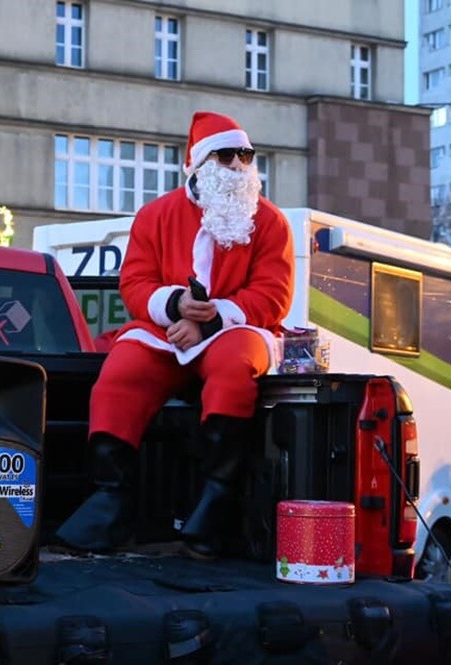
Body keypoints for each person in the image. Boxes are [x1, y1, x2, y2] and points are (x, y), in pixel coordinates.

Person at [55, 111, 295, 558]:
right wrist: (175, 307)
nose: (240, 166)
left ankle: (218, 501)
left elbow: (272, 296)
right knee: (121, 370)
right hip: (165, 329)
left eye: (247, 155)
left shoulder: (271, 223)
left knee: (234, 365)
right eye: (228, 156)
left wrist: (208, 319)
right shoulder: (155, 215)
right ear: (201, 163)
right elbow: (135, 283)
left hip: (237, 327)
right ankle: (111, 498)